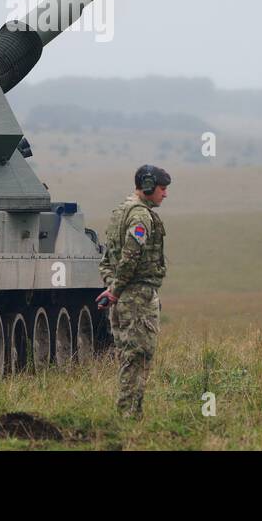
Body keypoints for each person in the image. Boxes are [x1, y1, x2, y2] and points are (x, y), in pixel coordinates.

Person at [97, 164, 170, 419]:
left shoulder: (120, 212)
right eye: (162, 188)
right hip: (137, 297)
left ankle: (130, 414)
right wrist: (116, 290)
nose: (165, 194)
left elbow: (106, 261)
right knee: (138, 358)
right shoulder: (140, 217)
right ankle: (128, 415)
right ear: (149, 186)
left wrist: (112, 288)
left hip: (123, 298)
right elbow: (130, 257)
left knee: (130, 356)